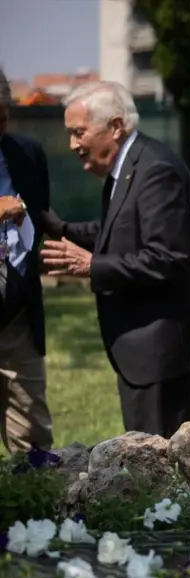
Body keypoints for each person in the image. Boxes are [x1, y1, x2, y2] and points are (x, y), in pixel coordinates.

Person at [39, 81, 190, 438]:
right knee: (146, 464)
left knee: (156, 467)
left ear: (115, 127)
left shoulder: (156, 170)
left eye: (78, 133)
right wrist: (63, 228)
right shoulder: (129, 166)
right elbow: (121, 229)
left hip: (159, 352)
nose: (73, 145)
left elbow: (166, 257)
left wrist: (91, 266)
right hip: (143, 352)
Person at [0, 68, 54, 454]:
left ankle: (33, 510)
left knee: (33, 439)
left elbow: (42, 214)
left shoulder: (26, 153)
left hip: (18, 316)